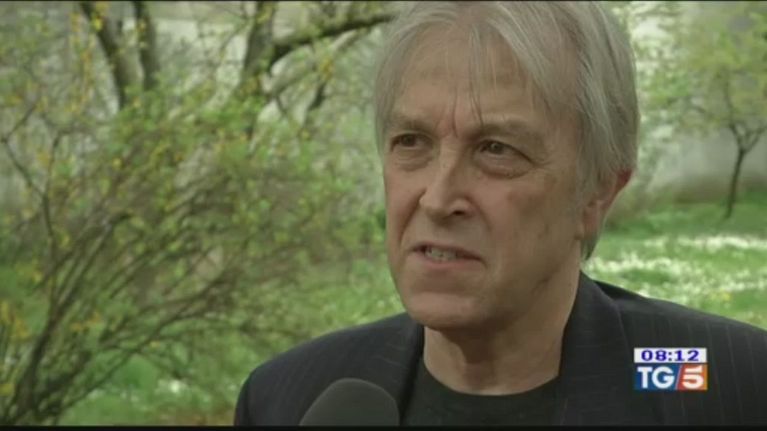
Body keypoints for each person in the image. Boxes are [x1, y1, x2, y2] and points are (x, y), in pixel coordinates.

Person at [234, 1, 767, 425]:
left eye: (496, 149)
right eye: (411, 141)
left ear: (597, 193)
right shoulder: (286, 398)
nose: (437, 199)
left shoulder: (722, 384)